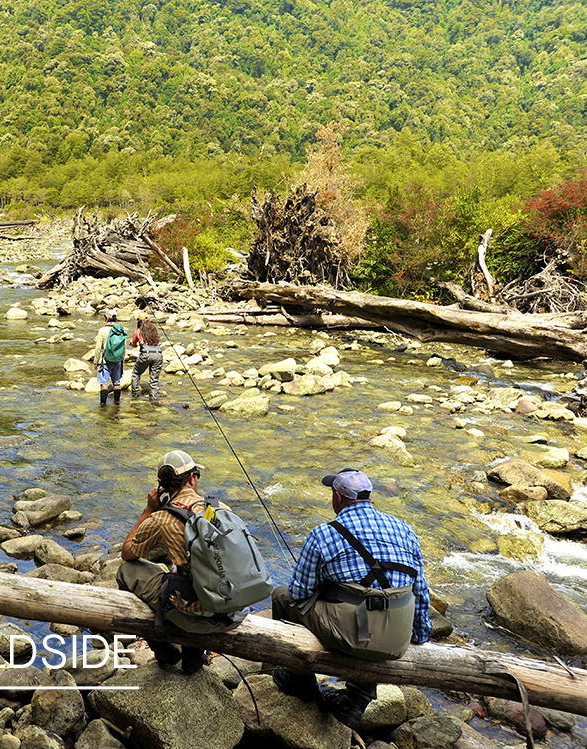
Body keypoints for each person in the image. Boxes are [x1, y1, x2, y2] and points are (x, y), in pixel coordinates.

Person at [270, 469, 432, 731]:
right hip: (397, 639)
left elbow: (299, 593)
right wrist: (420, 634)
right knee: (374, 609)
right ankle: (355, 701)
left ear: (337, 497)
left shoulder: (324, 534)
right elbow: (421, 592)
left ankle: (298, 676)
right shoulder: (405, 529)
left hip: (354, 635)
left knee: (281, 595)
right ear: (369, 496)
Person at [117, 450, 245, 674]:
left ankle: (164, 649)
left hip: (195, 616)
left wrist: (149, 510)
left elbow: (127, 553)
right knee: (194, 574)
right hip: (231, 610)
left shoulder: (161, 518)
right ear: (193, 478)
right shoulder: (221, 508)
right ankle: (193, 656)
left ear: (162, 487)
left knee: (126, 571)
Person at [93, 309, 125, 406]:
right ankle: (117, 403)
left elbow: (98, 347)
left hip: (105, 361)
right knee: (117, 383)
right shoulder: (120, 329)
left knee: (104, 384)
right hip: (118, 360)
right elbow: (123, 347)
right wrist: (122, 360)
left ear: (107, 318)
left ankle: (103, 405)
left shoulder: (102, 330)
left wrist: (96, 361)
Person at [130, 312, 163, 401]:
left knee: (136, 373)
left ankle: (135, 395)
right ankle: (154, 399)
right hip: (158, 354)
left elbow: (133, 344)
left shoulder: (138, 331)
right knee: (154, 379)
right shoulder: (154, 329)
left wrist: (134, 344)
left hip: (146, 354)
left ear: (139, 321)